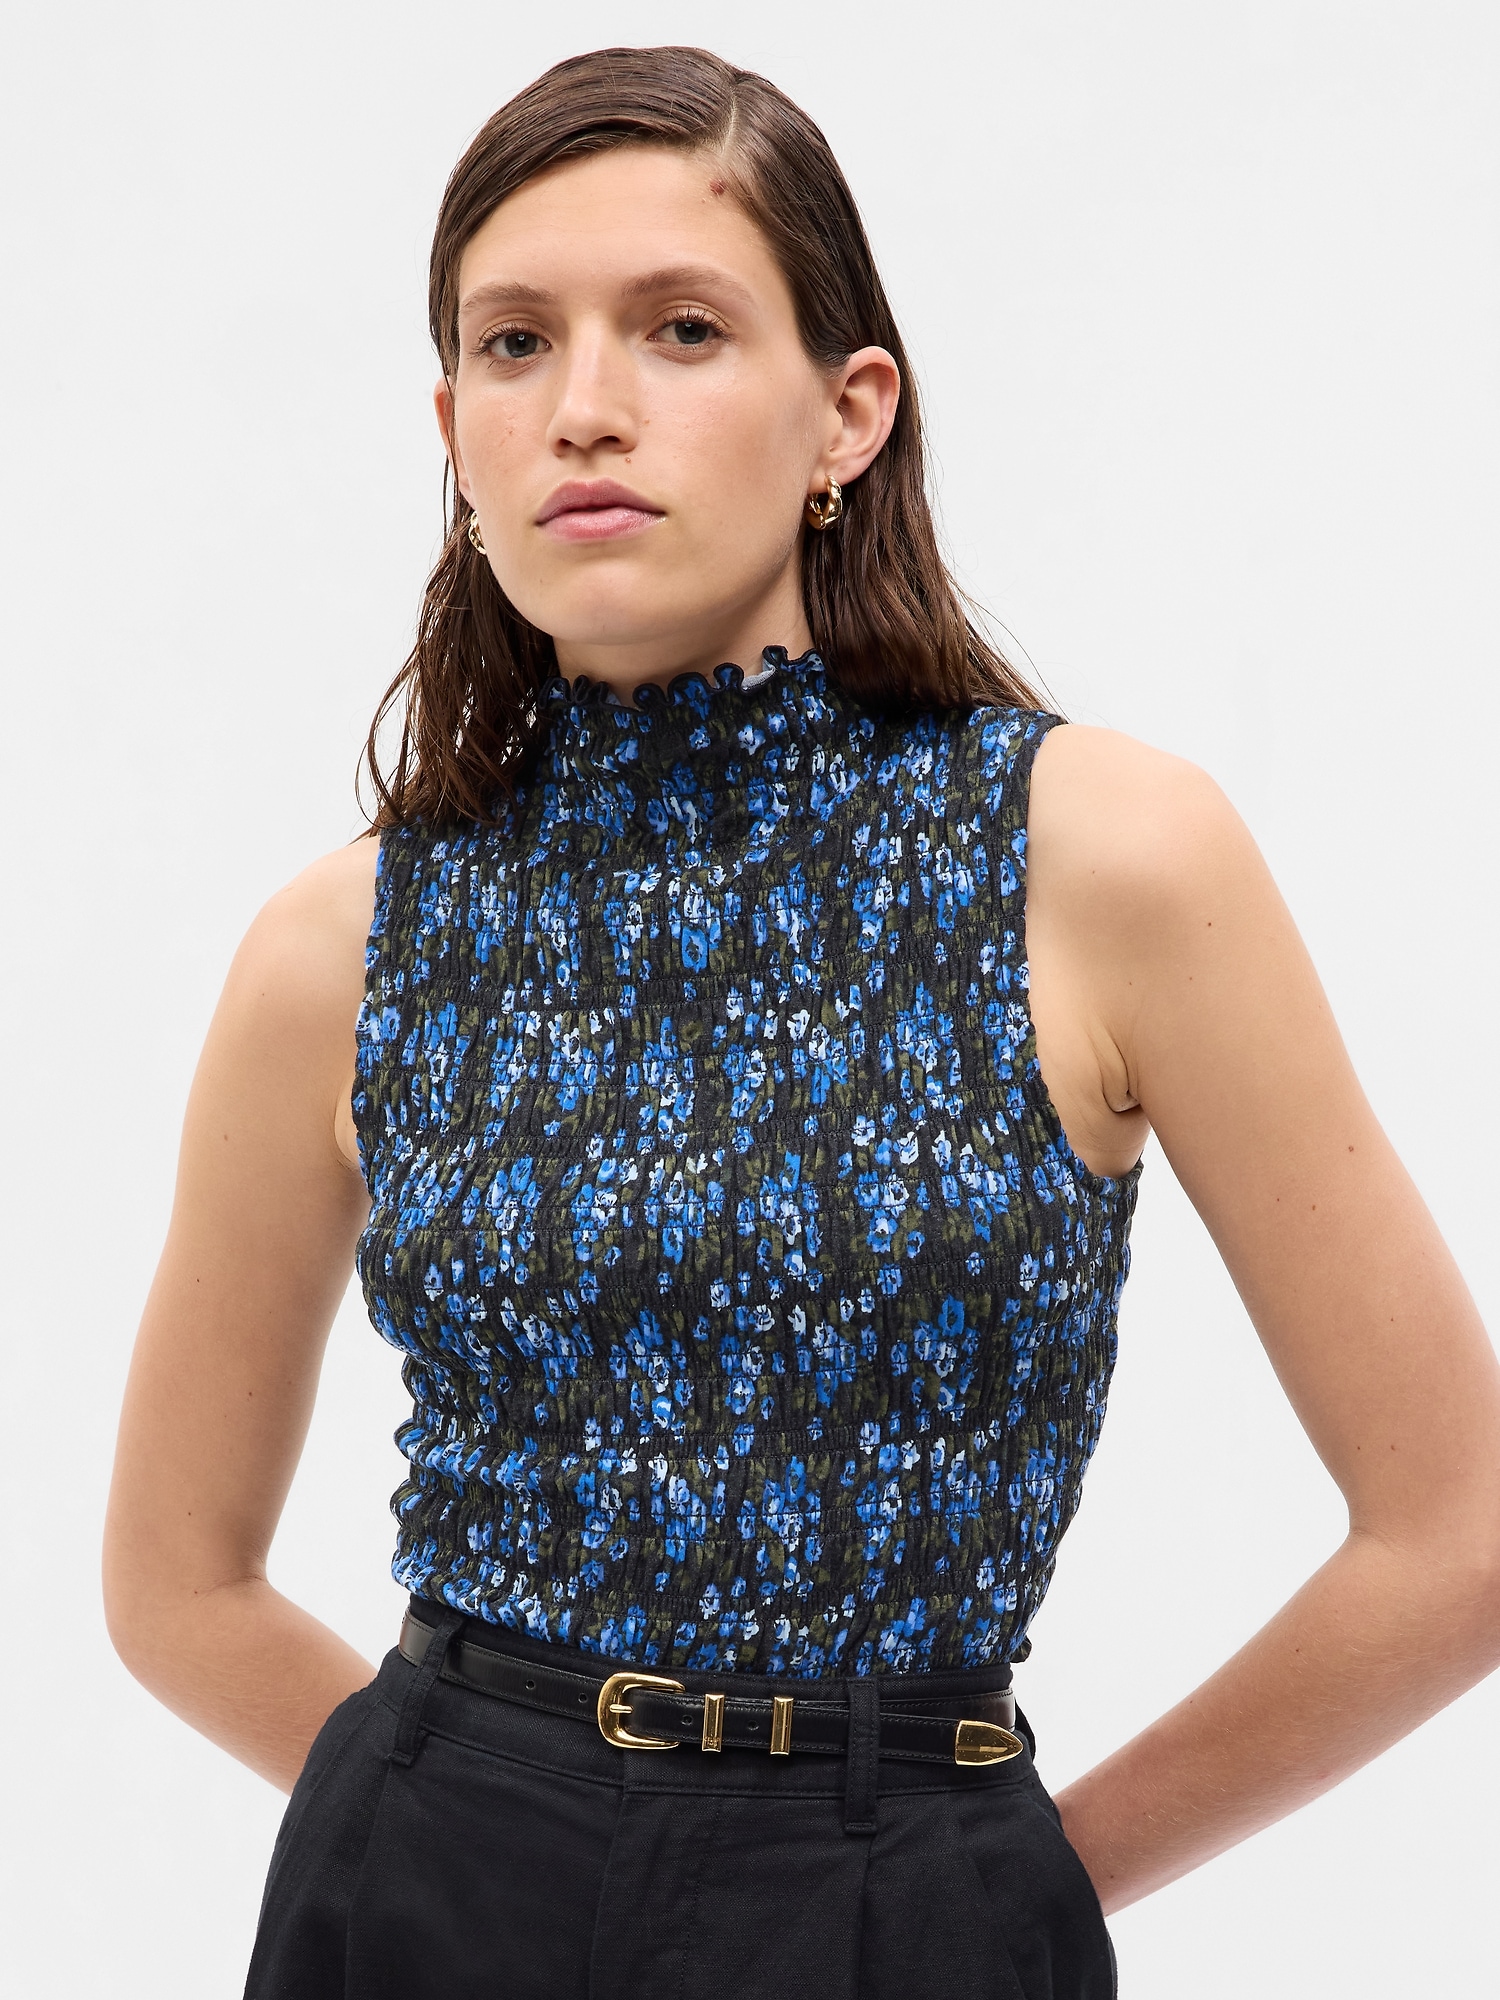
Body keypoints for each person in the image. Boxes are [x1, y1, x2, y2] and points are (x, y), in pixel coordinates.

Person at [102, 44, 1500, 2000]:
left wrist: (1013, 1883)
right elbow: (173, 1584)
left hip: (900, 1895)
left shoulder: (1101, 861)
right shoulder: (339, 946)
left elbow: (1459, 1530)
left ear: (849, 411)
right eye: (514, 344)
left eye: (681, 328)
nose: (585, 405)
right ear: (453, 428)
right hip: (427, 1893)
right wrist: (437, 1824)